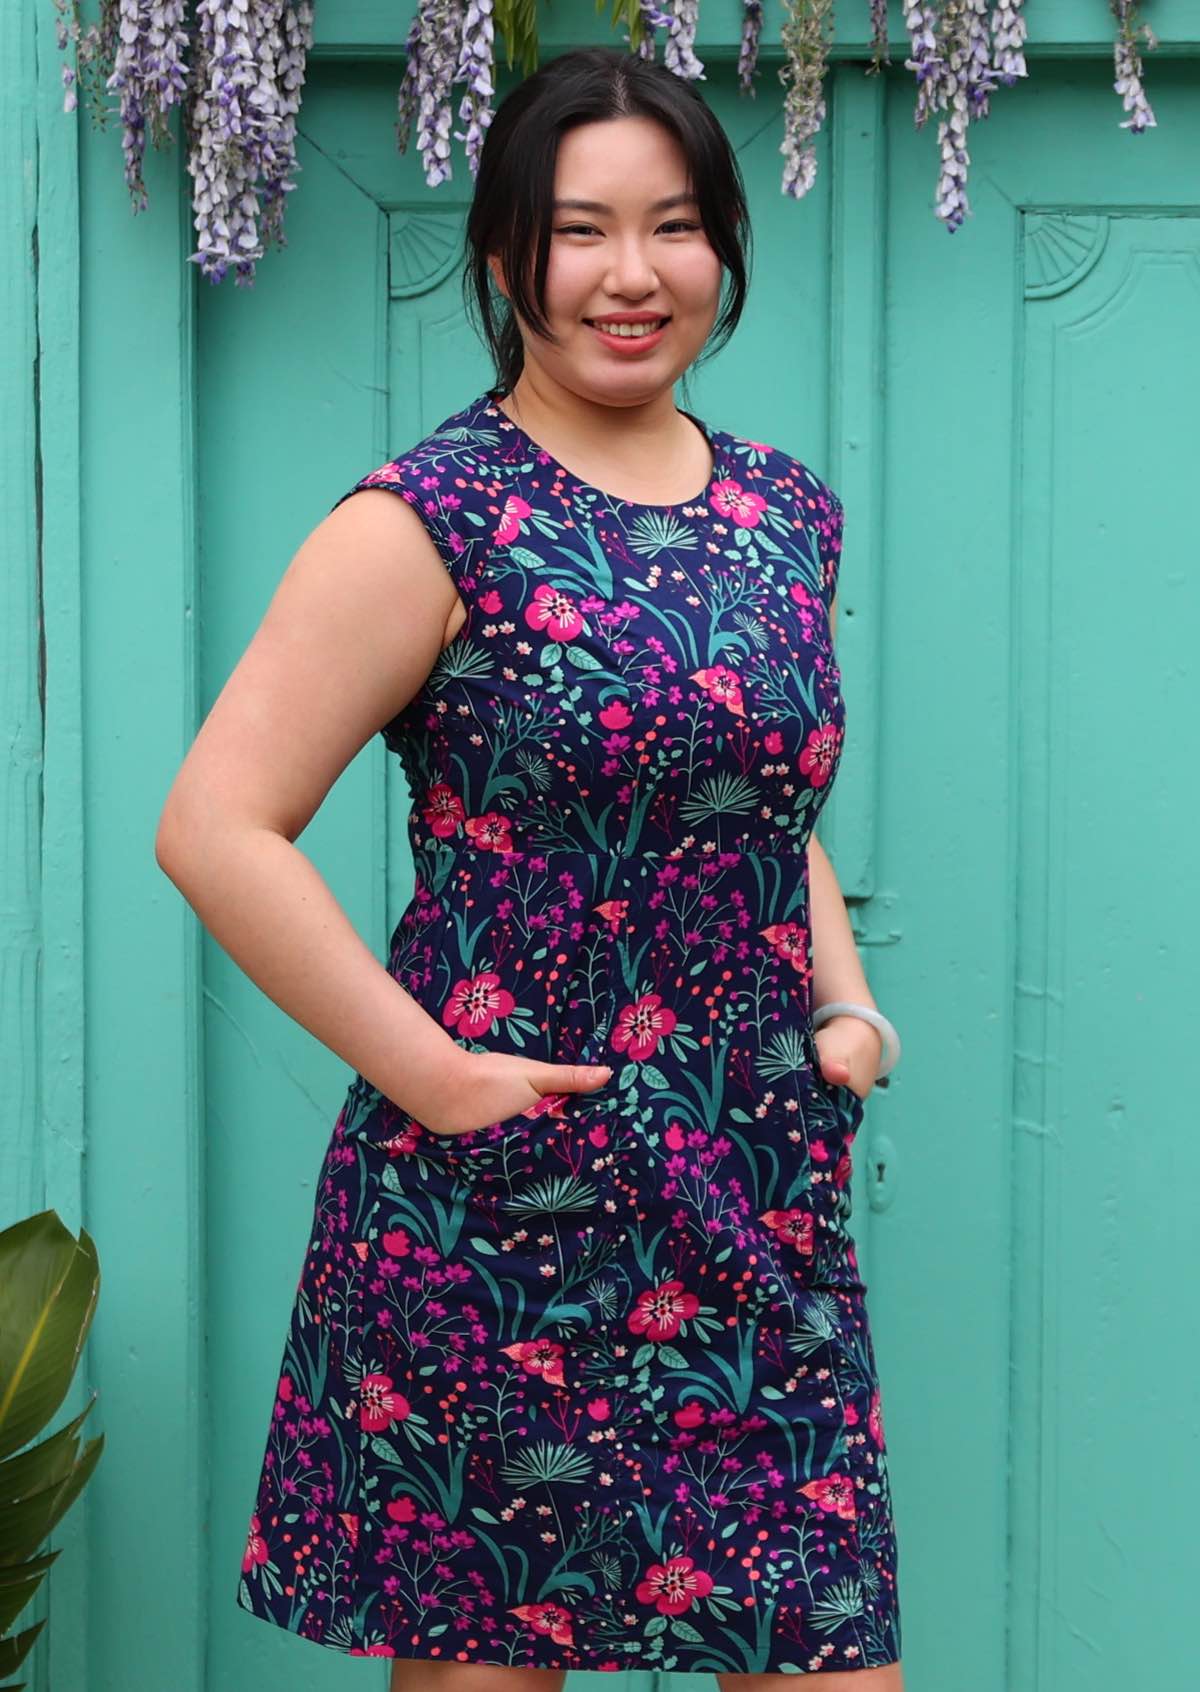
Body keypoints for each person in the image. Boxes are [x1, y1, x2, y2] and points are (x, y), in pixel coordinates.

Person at [156, 43, 904, 1691]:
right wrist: (428, 1076)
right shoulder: (428, 519)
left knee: (828, 1658)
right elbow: (214, 824)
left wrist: (846, 1014)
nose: (633, 276)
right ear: (506, 258)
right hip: (503, 1194)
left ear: (723, 247)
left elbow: (757, 808)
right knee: (494, 1670)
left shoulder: (788, 515)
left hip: (756, 1189)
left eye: (676, 225)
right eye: (581, 232)